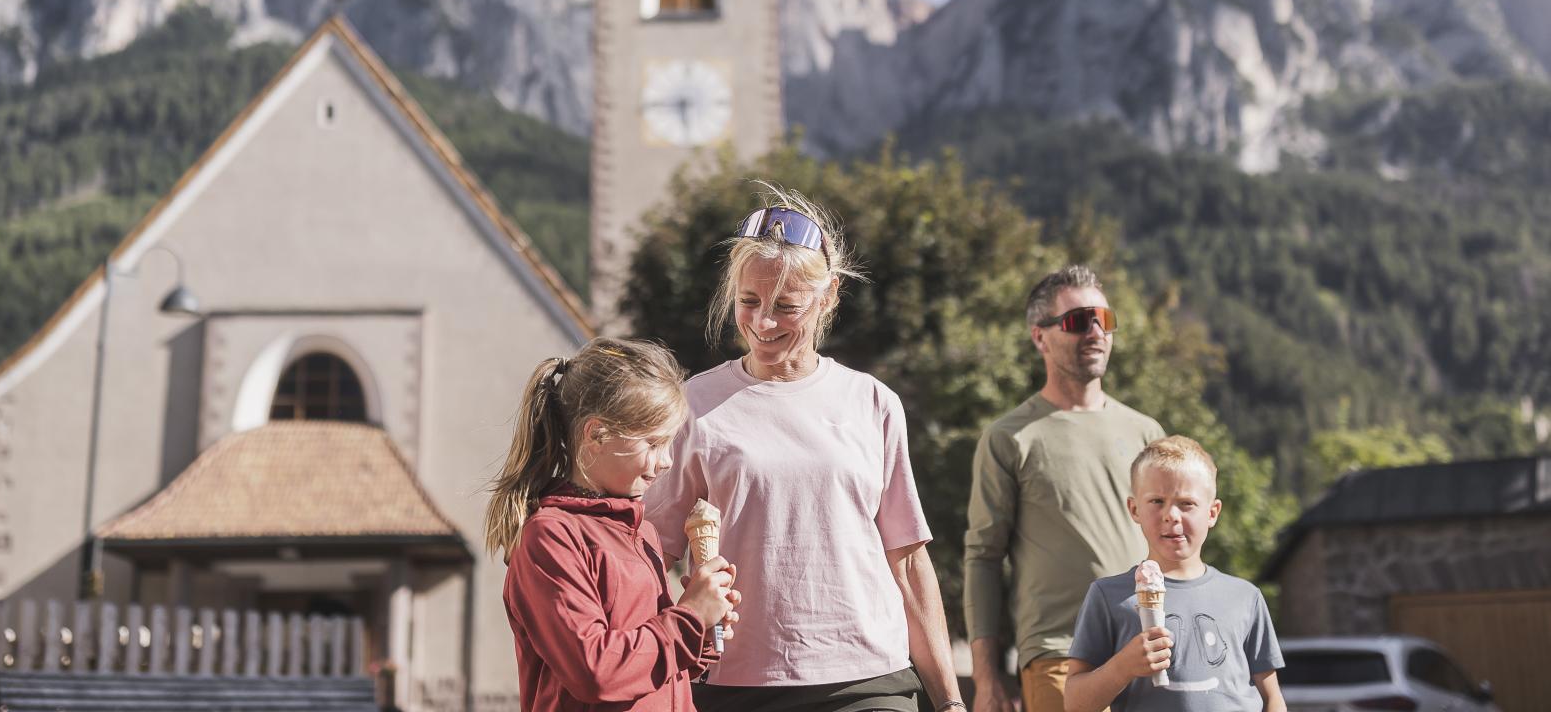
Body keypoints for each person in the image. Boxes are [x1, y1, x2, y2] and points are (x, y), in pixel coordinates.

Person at [645, 188, 968, 712]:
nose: (763, 323)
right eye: (749, 302)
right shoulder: (692, 406)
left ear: (829, 296)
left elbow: (908, 563)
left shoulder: (873, 403)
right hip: (733, 683)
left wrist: (951, 702)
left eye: (786, 307)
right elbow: (652, 553)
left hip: (870, 679)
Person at [487, 336, 743, 712]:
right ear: (597, 434)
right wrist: (689, 617)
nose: (668, 460)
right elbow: (596, 672)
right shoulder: (550, 537)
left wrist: (702, 631)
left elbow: (647, 668)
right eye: (654, 443)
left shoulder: (643, 531)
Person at [964, 266, 1164, 712]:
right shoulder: (1009, 438)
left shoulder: (1146, 432)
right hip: (1061, 655)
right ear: (1040, 337)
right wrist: (986, 677)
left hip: (1150, 651)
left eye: (1104, 320)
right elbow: (983, 559)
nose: (1095, 331)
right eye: (1077, 321)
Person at [1063, 436, 1285, 712]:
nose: (1171, 515)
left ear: (1213, 512)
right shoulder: (1109, 596)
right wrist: (1123, 666)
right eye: (1157, 501)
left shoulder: (1245, 597)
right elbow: (1075, 703)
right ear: (1134, 509)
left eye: (1187, 503)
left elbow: (1272, 698)